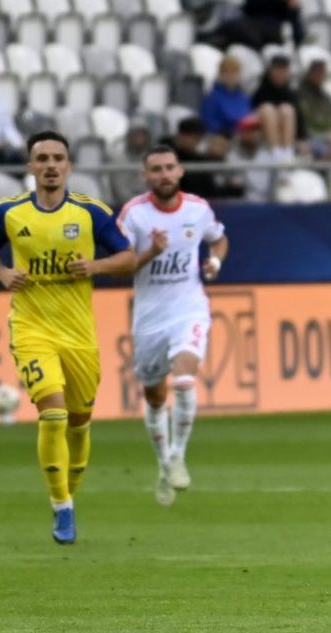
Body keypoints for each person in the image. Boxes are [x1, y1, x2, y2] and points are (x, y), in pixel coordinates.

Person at [0, 130, 136, 543]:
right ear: (30, 167)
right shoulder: (9, 212)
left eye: (57, 158)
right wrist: (3, 273)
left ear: (69, 166)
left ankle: (69, 496)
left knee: (79, 426)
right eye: (41, 158)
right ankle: (61, 507)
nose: (50, 165)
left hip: (79, 334)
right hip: (31, 327)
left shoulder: (91, 213)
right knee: (54, 414)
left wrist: (95, 268)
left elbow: (129, 257)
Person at [117, 145, 229, 506]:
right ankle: (163, 462)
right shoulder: (134, 215)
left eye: (169, 167)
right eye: (156, 169)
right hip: (149, 318)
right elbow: (117, 263)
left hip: (189, 308)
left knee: (183, 380)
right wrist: (149, 253)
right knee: (154, 395)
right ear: (145, 176)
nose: (164, 174)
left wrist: (215, 261)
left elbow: (219, 238)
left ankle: (178, 455)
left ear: (180, 171)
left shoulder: (198, 209)